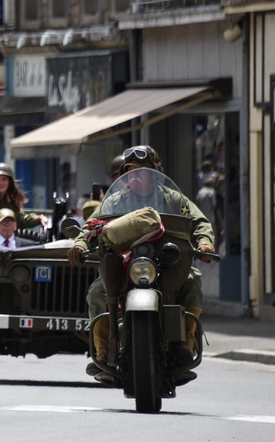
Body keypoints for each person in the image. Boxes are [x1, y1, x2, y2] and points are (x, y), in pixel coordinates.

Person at [67, 145, 215, 382]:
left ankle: (185, 345)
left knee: (192, 280)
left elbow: (198, 221)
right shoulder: (114, 201)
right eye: (131, 172)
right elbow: (91, 226)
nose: (136, 176)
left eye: (143, 171)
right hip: (125, 264)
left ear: (155, 172)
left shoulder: (174, 198)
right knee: (97, 291)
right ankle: (104, 352)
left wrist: (205, 243)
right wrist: (80, 245)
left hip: (165, 263)